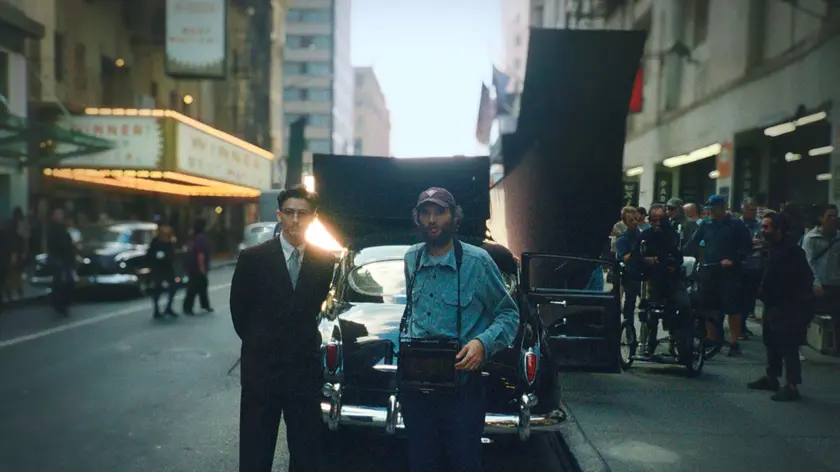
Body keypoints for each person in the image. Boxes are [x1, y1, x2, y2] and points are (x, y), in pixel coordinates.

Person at [400, 187, 519, 472]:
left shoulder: (478, 262)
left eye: (440, 212)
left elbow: (509, 314)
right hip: (417, 390)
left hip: (461, 391)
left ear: (455, 217)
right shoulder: (411, 258)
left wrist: (482, 344)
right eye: (426, 213)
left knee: (463, 463)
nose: (432, 220)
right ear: (418, 218)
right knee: (421, 463)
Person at [230, 184, 337, 472]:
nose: (295, 220)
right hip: (261, 371)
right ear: (279, 215)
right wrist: (262, 343)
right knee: (256, 449)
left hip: (303, 370)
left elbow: (313, 308)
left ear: (313, 218)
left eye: (302, 213)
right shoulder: (253, 258)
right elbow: (239, 313)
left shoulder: (324, 261)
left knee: (305, 450)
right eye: (289, 212)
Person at [748, 212, 813, 401]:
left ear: (778, 229)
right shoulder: (772, 248)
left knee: (788, 344)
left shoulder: (792, 252)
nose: (763, 230)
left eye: (766, 227)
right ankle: (772, 377)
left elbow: (802, 278)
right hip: (772, 303)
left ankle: (791, 385)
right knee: (771, 341)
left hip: (788, 305)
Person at [685, 195, 752, 356]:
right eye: (710, 208)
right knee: (708, 305)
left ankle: (734, 342)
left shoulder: (736, 224)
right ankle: (711, 337)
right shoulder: (706, 225)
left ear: (723, 207)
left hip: (730, 272)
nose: (712, 211)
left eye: (714, 208)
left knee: (732, 307)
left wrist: (733, 260)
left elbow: (746, 246)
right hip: (709, 269)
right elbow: (693, 243)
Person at [629, 204, 693, 356]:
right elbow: (635, 257)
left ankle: (682, 343)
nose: (657, 223)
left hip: (673, 280)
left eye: (660, 220)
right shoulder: (644, 236)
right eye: (653, 220)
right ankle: (649, 343)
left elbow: (678, 257)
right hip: (653, 280)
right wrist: (648, 260)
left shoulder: (672, 235)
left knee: (685, 306)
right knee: (650, 311)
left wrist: (673, 266)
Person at [801, 204, 840, 351]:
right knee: (806, 315)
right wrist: (815, 283)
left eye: (835, 215)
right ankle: (799, 346)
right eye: (829, 216)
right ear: (821, 218)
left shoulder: (838, 238)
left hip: (836, 283)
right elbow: (808, 262)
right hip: (818, 284)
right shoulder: (811, 238)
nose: (833, 219)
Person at [46, 207, 76, 316]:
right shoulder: (52, 228)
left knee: (68, 282)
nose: (60, 216)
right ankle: (59, 303)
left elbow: (69, 242)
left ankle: (64, 303)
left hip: (66, 258)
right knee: (60, 282)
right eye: (58, 214)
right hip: (58, 258)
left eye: (61, 214)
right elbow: (53, 244)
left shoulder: (64, 228)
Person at [615, 206, 641, 324]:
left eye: (636, 219)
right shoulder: (622, 239)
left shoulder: (643, 235)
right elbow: (623, 258)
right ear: (625, 222)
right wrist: (636, 249)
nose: (635, 222)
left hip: (645, 273)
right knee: (630, 303)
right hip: (631, 274)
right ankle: (629, 328)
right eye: (631, 220)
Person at [148, 222, 178, 319]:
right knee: (157, 289)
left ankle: (168, 307)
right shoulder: (156, 242)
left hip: (168, 268)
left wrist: (168, 256)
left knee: (173, 287)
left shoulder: (169, 242)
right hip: (158, 268)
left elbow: (172, 254)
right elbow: (149, 255)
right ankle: (156, 309)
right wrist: (156, 256)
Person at [183, 218, 213, 315]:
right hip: (197, 267)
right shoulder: (201, 238)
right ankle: (188, 307)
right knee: (194, 287)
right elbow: (201, 254)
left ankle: (204, 305)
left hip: (192, 266)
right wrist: (202, 268)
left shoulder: (193, 238)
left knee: (201, 286)